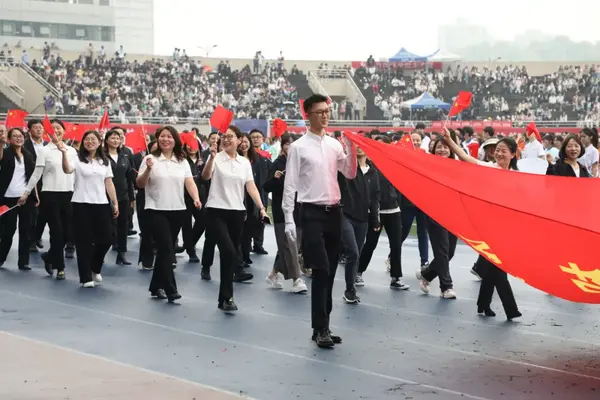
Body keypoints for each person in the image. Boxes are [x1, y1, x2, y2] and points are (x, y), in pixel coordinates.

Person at [283, 94, 357, 348]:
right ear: (308, 115)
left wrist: (353, 148)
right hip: (311, 213)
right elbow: (290, 184)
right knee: (322, 270)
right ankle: (320, 326)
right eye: (319, 112)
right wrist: (288, 220)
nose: (325, 115)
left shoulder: (335, 145)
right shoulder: (298, 147)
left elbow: (349, 172)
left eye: (327, 111)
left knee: (331, 271)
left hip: (334, 213)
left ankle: (323, 326)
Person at [201, 126, 266, 312]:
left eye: (231, 136)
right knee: (229, 252)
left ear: (239, 140)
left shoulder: (244, 162)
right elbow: (205, 176)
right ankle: (227, 295)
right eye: (224, 136)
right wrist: (212, 157)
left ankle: (225, 297)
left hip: (237, 212)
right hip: (216, 210)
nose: (227, 139)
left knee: (230, 254)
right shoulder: (215, 157)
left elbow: (251, 186)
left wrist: (261, 207)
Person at [136, 126, 201, 303]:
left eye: (169, 136)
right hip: (155, 209)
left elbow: (189, 182)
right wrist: (148, 169)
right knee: (166, 248)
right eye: (162, 136)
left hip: (178, 209)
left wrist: (196, 198)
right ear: (157, 140)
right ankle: (170, 289)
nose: (165, 139)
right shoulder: (149, 159)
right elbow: (140, 184)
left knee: (167, 249)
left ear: (175, 140)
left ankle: (156, 285)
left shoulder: (182, 160)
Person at [59, 130, 119, 287]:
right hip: (81, 204)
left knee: (107, 238)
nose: (90, 142)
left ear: (99, 142)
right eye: (87, 139)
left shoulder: (104, 161)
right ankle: (85, 277)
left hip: (101, 204)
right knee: (83, 242)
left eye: (93, 139)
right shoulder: (76, 159)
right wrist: (64, 154)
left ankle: (95, 267)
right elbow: (67, 169)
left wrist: (115, 201)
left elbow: (109, 182)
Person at [19, 119, 77, 280]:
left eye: (59, 128)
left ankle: (50, 257)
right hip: (50, 195)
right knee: (56, 232)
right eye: (53, 129)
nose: (56, 131)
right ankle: (60, 267)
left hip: (69, 195)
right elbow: (37, 174)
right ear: (48, 132)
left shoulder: (72, 151)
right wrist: (26, 192)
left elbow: (76, 173)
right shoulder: (44, 151)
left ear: (64, 131)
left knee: (68, 233)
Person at [0, 128, 39, 270]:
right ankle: (1, 257)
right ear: (9, 139)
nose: (18, 138)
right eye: (15, 136)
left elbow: (32, 177)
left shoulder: (28, 155)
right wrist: (1, 142)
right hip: (8, 199)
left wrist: (35, 195)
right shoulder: (6, 152)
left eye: (21, 136)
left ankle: (23, 261)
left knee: (26, 230)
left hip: (25, 198)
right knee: (8, 231)